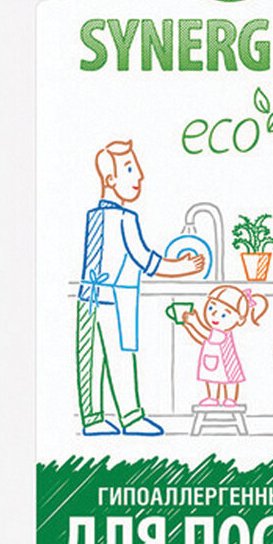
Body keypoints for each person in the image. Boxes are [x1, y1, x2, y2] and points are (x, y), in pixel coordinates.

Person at [76, 140, 204, 434]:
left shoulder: (94, 216)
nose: (140, 176)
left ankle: (92, 419)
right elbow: (147, 261)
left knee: (90, 359)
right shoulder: (125, 219)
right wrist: (185, 266)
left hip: (88, 296)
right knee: (120, 357)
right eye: (130, 169)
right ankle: (130, 417)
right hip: (115, 299)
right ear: (111, 179)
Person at [179, 285, 267, 407]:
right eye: (211, 308)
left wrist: (194, 322)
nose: (214, 315)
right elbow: (201, 339)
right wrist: (188, 326)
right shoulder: (214, 331)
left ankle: (230, 398)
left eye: (224, 315)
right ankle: (213, 398)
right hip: (212, 362)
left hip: (226, 364)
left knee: (229, 381)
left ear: (240, 320)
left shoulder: (221, 333)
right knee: (212, 380)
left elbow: (206, 335)